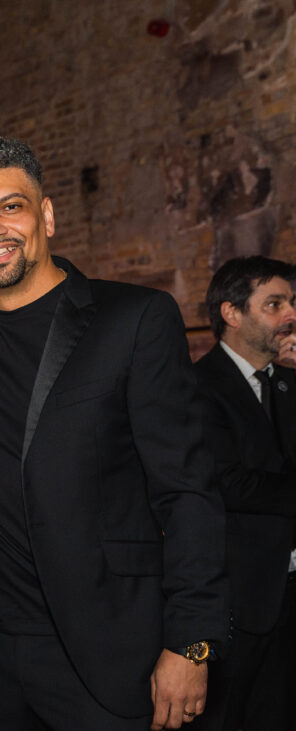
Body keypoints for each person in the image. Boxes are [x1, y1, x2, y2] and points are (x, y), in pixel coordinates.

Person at [0, 136, 228, 730]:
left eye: (11, 206)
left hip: (106, 646)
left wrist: (192, 643)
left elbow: (188, 492)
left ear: (46, 215)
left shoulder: (133, 319)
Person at [192, 256, 296, 730]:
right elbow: (227, 481)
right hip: (240, 599)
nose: (290, 314)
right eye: (274, 304)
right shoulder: (196, 387)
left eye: (291, 303)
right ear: (232, 314)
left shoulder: (288, 382)